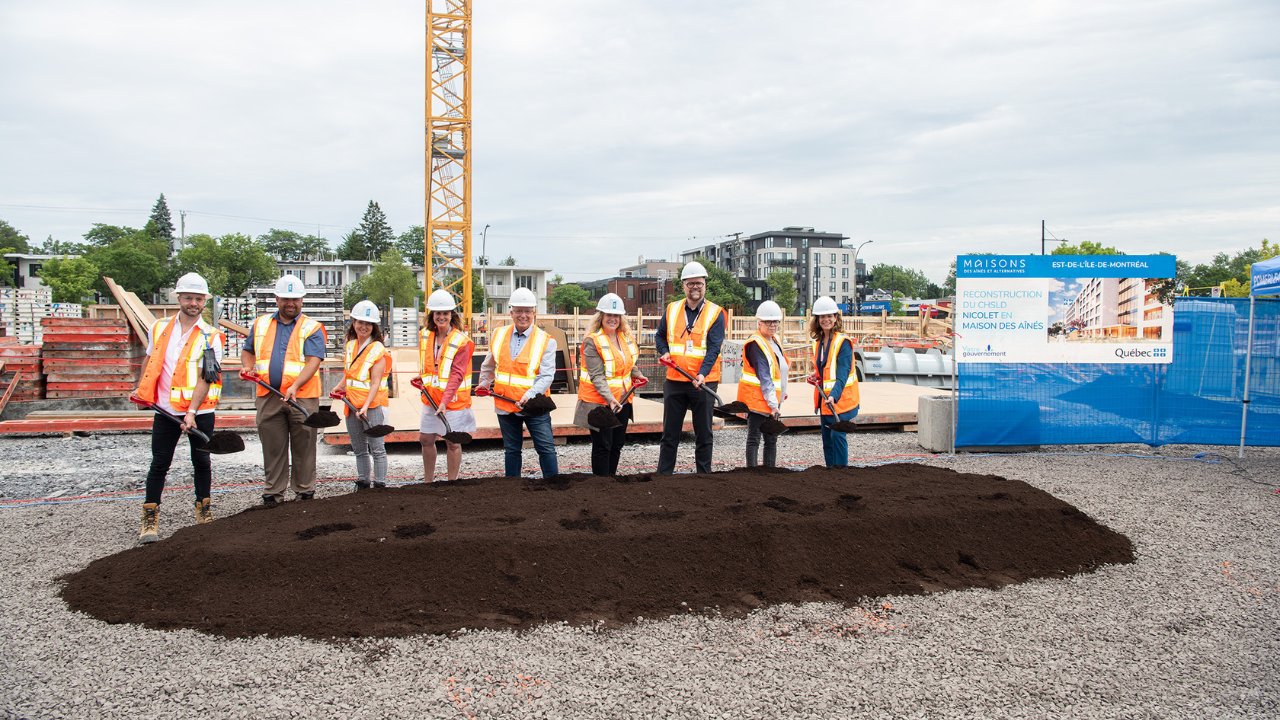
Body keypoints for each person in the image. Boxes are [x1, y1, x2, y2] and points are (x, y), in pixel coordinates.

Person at [132, 272, 225, 543]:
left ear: (204, 302)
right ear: (178, 298)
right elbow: (150, 360)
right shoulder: (158, 328)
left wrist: (192, 413)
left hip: (200, 411)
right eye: (188, 297)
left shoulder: (211, 337)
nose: (193, 303)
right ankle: (150, 518)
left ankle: (204, 513)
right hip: (165, 409)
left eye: (198, 298)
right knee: (160, 462)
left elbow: (206, 377)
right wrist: (141, 390)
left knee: (201, 461)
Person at [240, 274, 327, 505]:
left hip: (302, 397)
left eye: (296, 299)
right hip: (268, 396)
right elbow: (248, 350)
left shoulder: (312, 327)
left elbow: (313, 361)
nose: (291, 303)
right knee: (272, 446)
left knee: (304, 446)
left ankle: (304, 492)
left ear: (302, 300)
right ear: (276, 299)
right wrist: (247, 366)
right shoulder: (260, 325)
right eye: (286, 299)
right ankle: (273, 493)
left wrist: (295, 386)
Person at [478, 287, 559, 478]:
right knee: (512, 450)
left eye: (527, 311)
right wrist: (484, 383)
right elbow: (489, 364)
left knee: (546, 448)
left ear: (534, 313)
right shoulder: (499, 334)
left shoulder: (546, 340)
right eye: (519, 311)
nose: (523, 315)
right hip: (505, 403)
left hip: (534, 405)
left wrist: (528, 396)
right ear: (511, 312)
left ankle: (555, 487)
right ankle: (512, 489)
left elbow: (546, 376)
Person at [655, 260, 727, 474]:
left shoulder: (716, 313)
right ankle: (663, 475)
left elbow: (714, 348)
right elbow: (659, 336)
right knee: (670, 433)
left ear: (705, 284)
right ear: (683, 285)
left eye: (699, 283)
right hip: (675, 380)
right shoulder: (672, 309)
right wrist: (664, 351)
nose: (695, 287)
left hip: (703, 383)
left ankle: (703, 476)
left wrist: (703, 374)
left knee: (704, 433)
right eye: (690, 283)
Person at [573, 293, 646, 476]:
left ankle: (610, 481)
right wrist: (610, 399)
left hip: (623, 400)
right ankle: (601, 484)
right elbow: (597, 376)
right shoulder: (593, 341)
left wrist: (638, 375)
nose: (612, 319)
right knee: (603, 445)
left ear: (620, 318)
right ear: (601, 317)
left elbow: (628, 365)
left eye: (616, 316)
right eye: (609, 315)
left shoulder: (624, 338)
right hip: (600, 403)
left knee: (617, 444)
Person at [331, 300, 392, 490]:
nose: (363, 327)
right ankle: (363, 481)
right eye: (360, 322)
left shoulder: (377, 350)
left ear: (373, 327)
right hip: (351, 404)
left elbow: (375, 383)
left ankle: (380, 484)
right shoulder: (350, 346)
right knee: (358, 448)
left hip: (371, 405)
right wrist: (339, 387)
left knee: (377, 448)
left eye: (368, 324)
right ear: (354, 323)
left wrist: (365, 406)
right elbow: (351, 373)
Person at [419, 289, 477, 482]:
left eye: (445, 313)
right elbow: (429, 366)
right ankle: (428, 481)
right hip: (431, 399)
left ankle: (452, 481)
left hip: (453, 402)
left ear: (452, 315)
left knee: (452, 443)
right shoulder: (426, 336)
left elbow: (457, 374)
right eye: (438, 313)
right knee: (426, 439)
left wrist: (444, 401)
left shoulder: (462, 341)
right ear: (432, 316)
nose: (441, 317)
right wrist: (421, 380)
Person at [808, 296, 860, 466]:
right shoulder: (819, 342)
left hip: (841, 400)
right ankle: (831, 474)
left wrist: (834, 396)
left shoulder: (842, 342)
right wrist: (817, 375)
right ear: (817, 319)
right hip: (826, 401)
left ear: (836, 317)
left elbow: (843, 373)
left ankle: (842, 473)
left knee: (837, 437)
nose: (826, 319)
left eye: (830, 316)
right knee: (827, 440)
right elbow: (826, 368)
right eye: (822, 317)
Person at [738, 301, 790, 468]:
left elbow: (779, 370)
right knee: (754, 438)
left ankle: (769, 473)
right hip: (758, 401)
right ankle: (752, 474)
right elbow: (764, 376)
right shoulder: (756, 343)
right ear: (759, 322)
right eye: (768, 322)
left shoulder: (774, 341)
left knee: (771, 439)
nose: (772, 325)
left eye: (775, 321)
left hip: (771, 399)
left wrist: (781, 394)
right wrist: (774, 403)